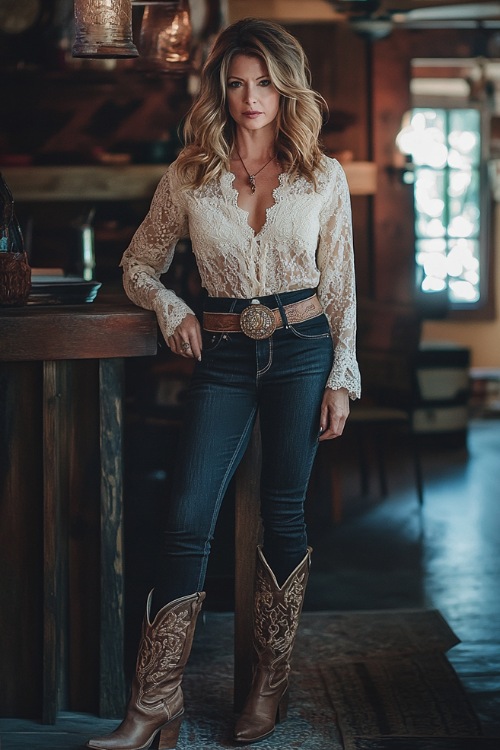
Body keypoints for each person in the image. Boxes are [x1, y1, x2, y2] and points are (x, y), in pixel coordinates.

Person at [87, 16, 361, 750]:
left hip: (305, 348)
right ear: (221, 89)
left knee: (285, 514)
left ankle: (265, 691)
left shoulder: (321, 174)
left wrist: (342, 376)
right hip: (225, 353)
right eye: (237, 83)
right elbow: (138, 264)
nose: (250, 97)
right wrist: (171, 303)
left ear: (286, 87)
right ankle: (154, 704)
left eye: (265, 82)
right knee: (184, 514)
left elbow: (340, 284)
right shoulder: (188, 174)